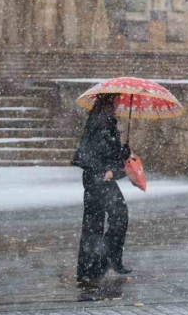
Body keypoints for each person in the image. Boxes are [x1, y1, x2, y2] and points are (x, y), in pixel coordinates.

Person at [72, 93, 132, 284]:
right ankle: (107, 258)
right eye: (116, 100)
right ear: (109, 102)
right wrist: (112, 169)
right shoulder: (103, 122)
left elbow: (104, 150)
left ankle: (90, 266)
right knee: (119, 214)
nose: (119, 103)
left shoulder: (101, 119)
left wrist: (122, 152)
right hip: (100, 177)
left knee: (93, 220)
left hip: (94, 176)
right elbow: (100, 152)